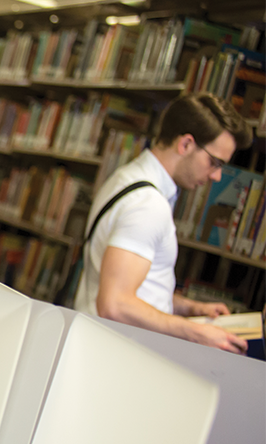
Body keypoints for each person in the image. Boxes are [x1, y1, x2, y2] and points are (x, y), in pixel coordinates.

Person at [73, 92, 253, 354]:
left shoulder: (126, 178)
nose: (216, 176)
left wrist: (190, 308)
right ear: (186, 144)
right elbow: (115, 304)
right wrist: (195, 333)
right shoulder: (148, 205)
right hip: (116, 355)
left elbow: (137, 289)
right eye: (214, 162)